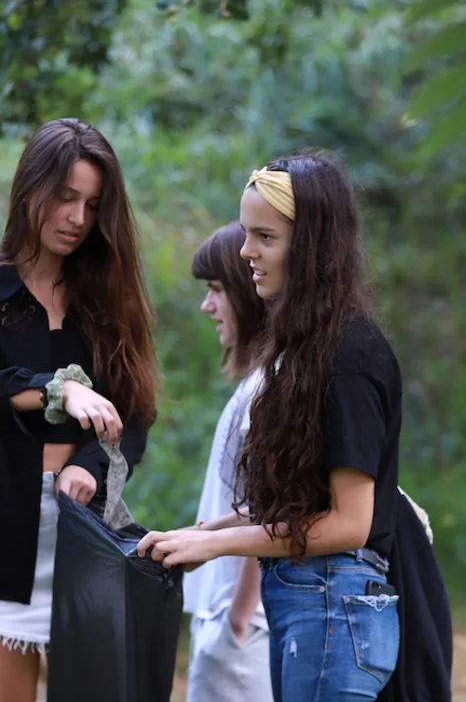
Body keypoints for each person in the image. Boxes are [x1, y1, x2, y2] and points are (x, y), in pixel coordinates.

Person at [139, 152, 402, 701]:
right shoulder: (305, 351)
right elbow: (304, 505)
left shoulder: (350, 354)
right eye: (247, 234)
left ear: (311, 247)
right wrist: (204, 532)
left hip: (333, 608)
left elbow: (350, 524)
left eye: (265, 237)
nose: (246, 252)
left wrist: (221, 546)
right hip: (311, 607)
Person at [0, 118, 159, 702]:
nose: (77, 218)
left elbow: (134, 414)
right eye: (65, 197)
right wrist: (59, 390)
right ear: (29, 189)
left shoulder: (106, 300)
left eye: (93, 205)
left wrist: (90, 465)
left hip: (85, 540)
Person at [184, 222, 274, 702]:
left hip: (244, 631)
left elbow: (273, 508)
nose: (208, 305)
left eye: (217, 290)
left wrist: (239, 616)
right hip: (227, 619)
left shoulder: (269, 387)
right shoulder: (255, 383)